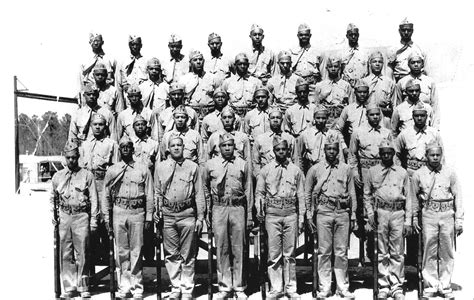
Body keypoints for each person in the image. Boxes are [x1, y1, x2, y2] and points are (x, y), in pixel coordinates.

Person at [201, 133, 254, 299]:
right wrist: (207, 211)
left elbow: (248, 190)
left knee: (239, 248)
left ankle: (239, 287)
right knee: (222, 248)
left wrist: (250, 214)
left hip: (238, 208)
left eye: (230, 145)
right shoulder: (210, 164)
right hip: (219, 208)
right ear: (219, 147)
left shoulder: (242, 164)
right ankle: (224, 286)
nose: (227, 148)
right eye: (224, 145)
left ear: (234, 146)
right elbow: (204, 188)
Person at [305, 133, 356, 299]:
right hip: (324, 212)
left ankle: (343, 287)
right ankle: (325, 287)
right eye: (329, 149)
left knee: (341, 252)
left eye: (334, 149)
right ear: (324, 150)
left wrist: (353, 214)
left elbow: (352, 193)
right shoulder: (315, 169)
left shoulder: (346, 169)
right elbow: (308, 193)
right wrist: (309, 214)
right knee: (324, 252)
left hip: (342, 213)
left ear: (338, 151)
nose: (332, 152)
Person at [102, 136, 154, 299]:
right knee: (122, 251)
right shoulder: (113, 170)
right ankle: (124, 286)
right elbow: (106, 195)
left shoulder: (143, 169)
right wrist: (107, 217)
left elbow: (150, 194)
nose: (125, 149)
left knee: (136, 251)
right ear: (119, 150)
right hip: (119, 211)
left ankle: (137, 286)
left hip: (137, 211)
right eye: (123, 147)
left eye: (128, 147)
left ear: (133, 149)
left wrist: (149, 217)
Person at [154, 136, 205, 299]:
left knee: (188, 254)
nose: (176, 148)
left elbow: (199, 193)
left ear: (184, 147)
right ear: (168, 149)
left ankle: (187, 288)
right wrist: (157, 211)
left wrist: (200, 217)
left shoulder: (193, 167)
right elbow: (157, 192)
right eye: (173, 145)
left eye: (179, 145)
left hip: (187, 214)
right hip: (168, 215)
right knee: (171, 253)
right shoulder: (161, 167)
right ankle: (176, 287)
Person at [255, 136, 305, 299]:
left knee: (289, 254)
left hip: (290, 212)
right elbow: (260, 193)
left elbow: (301, 195)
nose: (281, 152)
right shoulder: (266, 170)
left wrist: (302, 216)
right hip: (273, 214)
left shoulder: (296, 170)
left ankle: (291, 288)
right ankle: (276, 288)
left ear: (288, 150)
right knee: (274, 254)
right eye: (278, 150)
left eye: (284, 149)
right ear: (273, 151)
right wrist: (259, 211)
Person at [412, 142, 463, 299]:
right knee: (429, 249)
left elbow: (458, 197)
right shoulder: (418, 174)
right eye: (432, 155)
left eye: (437, 155)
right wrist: (414, 217)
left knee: (447, 250)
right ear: (426, 156)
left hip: (447, 213)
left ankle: (445, 284)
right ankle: (431, 285)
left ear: (441, 155)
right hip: (429, 214)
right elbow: (413, 198)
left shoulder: (449, 173)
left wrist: (459, 220)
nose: (435, 158)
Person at [363, 139, 412, 300]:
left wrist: (408, 221)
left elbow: (409, 198)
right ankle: (384, 285)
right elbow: (367, 194)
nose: (386, 155)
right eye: (383, 153)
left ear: (393, 154)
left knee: (397, 252)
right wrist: (370, 215)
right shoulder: (372, 171)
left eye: (388, 153)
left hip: (398, 212)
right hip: (381, 213)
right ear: (380, 154)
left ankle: (397, 286)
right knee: (382, 251)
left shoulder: (402, 172)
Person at [51, 141, 98, 299]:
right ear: (65, 158)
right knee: (66, 253)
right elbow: (53, 199)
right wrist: (54, 218)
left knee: (83, 252)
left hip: (81, 217)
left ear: (78, 157)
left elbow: (94, 199)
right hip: (65, 217)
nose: (71, 160)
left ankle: (83, 286)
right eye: (68, 157)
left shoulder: (86, 175)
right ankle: (69, 286)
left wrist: (93, 221)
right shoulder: (58, 177)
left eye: (74, 157)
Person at [349, 102, 392, 262]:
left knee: (381, 207)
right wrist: (355, 173)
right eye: (372, 114)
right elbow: (352, 156)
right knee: (366, 212)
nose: (375, 117)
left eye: (377, 114)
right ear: (366, 116)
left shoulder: (386, 133)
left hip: (381, 171)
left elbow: (391, 155)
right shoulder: (358, 132)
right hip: (365, 171)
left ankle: (381, 251)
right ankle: (366, 253)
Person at [79, 113, 119, 262]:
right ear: (91, 126)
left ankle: (108, 260)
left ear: (105, 126)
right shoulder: (85, 145)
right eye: (95, 124)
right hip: (88, 185)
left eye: (101, 124)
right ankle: (91, 260)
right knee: (90, 221)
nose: (97, 127)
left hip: (104, 184)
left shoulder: (111, 144)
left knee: (105, 220)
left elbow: (116, 170)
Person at [296, 105, 346, 174]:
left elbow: (340, 156)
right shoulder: (305, 134)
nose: (321, 121)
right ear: (314, 118)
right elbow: (299, 156)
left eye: (323, 118)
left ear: (327, 118)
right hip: (311, 169)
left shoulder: (333, 134)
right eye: (318, 118)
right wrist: (301, 173)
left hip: (329, 169)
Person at [396, 53, 439, 127]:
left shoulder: (430, 81)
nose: (416, 65)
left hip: (424, 122)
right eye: (413, 62)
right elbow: (398, 105)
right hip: (407, 122)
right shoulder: (402, 82)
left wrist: (435, 127)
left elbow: (435, 106)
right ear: (408, 64)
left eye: (418, 62)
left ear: (422, 64)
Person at [252, 107, 295, 178]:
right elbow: (256, 162)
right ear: (269, 120)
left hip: (285, 176)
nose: (275, 120)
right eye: (273, 118)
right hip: (267, 176)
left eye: (278, 117)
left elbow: (295, 159)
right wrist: (259, 177)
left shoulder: (289, 138)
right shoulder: (260, 139)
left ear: (282, 119)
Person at [179, 50, 221, 120]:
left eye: (200, 59)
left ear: (204, 61)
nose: (198, 62)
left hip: (209, 114)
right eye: (195, 60)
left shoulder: (212, 78)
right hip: (191, 115)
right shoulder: (184, 79)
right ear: (190, 63)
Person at [314, 55, 353, 127]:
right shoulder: (320, 85)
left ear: (339, 68)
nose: (333, 69)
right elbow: (315, 104)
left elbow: (351, 105)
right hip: (324, 122)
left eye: (336, 66)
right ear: (326, 68)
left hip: (341, 121)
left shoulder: (346, 85)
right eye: (330, 66)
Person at [387, 18, 427, 82]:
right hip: (400, 82)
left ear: (412, 31)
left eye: (409, 30)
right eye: (403, 30)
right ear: (399, 31)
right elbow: (389, 71)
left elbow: (425, 70)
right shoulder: (393, 50)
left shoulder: (419, 49)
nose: (406, 32)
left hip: (417, 82)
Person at [335, 79, 372, 146]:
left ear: (368, 92)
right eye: (359, 92)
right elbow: (338, 130)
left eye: (365, 92)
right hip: (351, 145)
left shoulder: (373, 109)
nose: (362, 94)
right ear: (355, 92)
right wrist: (344, 147)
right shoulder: (348, 109)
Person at [222, 53, 261, 117]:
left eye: (245, 64)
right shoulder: (228, 82)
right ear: (235, 65)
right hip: (233, 115)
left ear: (248, 65)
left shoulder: (256, 82)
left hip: (251, 115)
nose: (242, 66)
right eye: (240, 64)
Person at [116, 35, 148, 107]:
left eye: (137, 44)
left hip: (143, 98)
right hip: (128, 98)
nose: (135, 47)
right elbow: (118, 85)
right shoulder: (122, 62)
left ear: (141, 45)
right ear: (129, 45)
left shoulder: (146, 62)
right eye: (132, 44)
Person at [340, 23, 369, 88]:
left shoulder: (364, 52)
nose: (353, 37)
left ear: (358, 35)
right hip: (347, 86)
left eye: (355, 34)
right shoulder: (342, 53)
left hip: (362, 87)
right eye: (351, 35)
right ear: (347, 36)